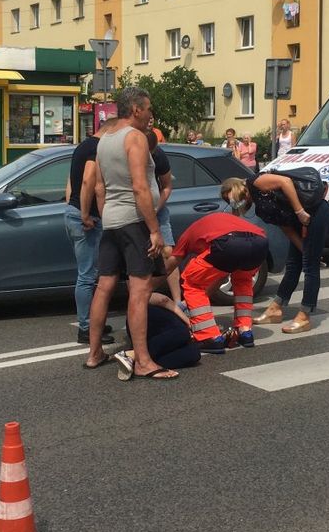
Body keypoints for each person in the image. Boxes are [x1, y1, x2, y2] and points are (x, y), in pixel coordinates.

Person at [85, 87, 178, 379]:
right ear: (136, 109)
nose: (151, 115)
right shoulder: (134, 138)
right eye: (148, 108)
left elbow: (99, 187)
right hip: (134, 222)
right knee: (139, 291)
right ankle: (144, 361)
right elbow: (140, 187)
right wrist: (154, 230)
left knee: (104, 287)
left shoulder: (104, 140)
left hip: (111, 221)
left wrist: (106, 216)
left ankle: (94, 353)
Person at [224, 171, 329, 334]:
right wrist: (304, 248)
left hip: (314, 213)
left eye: (230, 197)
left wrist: (299, 211)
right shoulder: (261, 209)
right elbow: (287, 229)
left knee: (310, 267)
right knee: (294, 264)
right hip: (299, 222)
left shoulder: (255, 182)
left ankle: (304, 316)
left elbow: (285, 182)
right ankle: (275, 309)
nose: (232, 201)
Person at [172, 211, 268, 352]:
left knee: (192, 282)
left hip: (228, 243)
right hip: (260, 243)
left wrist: (148, 287)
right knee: (243, 280)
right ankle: (245, 331)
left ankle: (208, 336)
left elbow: (171, 264)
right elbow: (219, 274)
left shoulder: (186, 236)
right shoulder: (214, 224)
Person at [64, 118, 117, 345]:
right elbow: (89, 183)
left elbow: (70, 183)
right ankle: (86, 328)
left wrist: (72, 207)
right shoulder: (96, 148)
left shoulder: (82, 146)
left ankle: (93, 321)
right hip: (87, 219)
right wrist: (85, 214)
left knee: (89, 274)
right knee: (87, 276)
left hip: (73, 212)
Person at [116, 290, 202, 380]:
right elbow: (162, 300)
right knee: (183, 333)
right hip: (146, 316)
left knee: (194, 353)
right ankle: (135, 355)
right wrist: (188, 323)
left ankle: (136, 360)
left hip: (142, 325)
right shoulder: (144, 280)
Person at [147, 129, 182, 304]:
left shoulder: (158, 154)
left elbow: (167, 186)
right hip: (134, 211)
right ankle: (140, 299)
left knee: (168, 252)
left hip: (157, 210)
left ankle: (178, 301)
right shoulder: (126, 153)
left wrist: (154, 209)